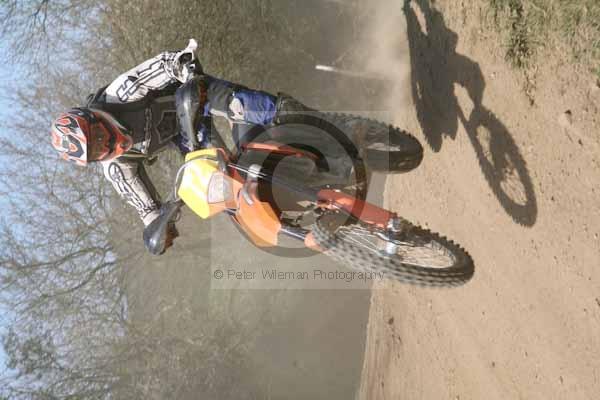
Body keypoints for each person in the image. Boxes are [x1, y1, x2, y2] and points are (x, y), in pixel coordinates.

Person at [50, 39, 311, 253]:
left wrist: (187, 72)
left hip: (189, 95)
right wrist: (159, 230)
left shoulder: (121, 94)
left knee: (232, 104)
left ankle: (299, 115)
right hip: (186, 136)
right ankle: (301, 216)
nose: (105, 143)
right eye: (97, 151)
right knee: (223, 185)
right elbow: (147, 210)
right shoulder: (116, 169)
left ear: (94, 117)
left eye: (97, 135)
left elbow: (165, 63)